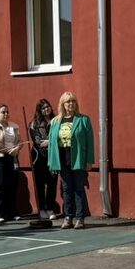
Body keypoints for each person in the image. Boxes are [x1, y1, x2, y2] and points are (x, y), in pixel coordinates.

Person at [48, 92, 94, 229]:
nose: (71, 104)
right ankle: (68, 217)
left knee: (79, 188)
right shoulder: (55, 121)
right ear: (62, 104)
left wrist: (89, 161)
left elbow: (90, 142)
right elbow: (52, 143)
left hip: (78, 158)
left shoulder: (83, 119)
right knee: (66, 189)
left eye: (73, 101)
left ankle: (80, 218)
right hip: (62, 158)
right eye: (68, 101)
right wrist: (51, 162)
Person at [29, 98, 60, 220]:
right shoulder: (34, 124)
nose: (46, 109)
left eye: (47, 106)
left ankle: (50, 208)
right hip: (39, 157)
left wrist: (50, 142)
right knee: (40, 184)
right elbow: (38, 142)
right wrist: (51, 141)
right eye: (43, 108)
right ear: (39, 110)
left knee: (52, 183)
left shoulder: (57, 121)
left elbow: (60, 137)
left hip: (54, 156)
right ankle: (41, 209)